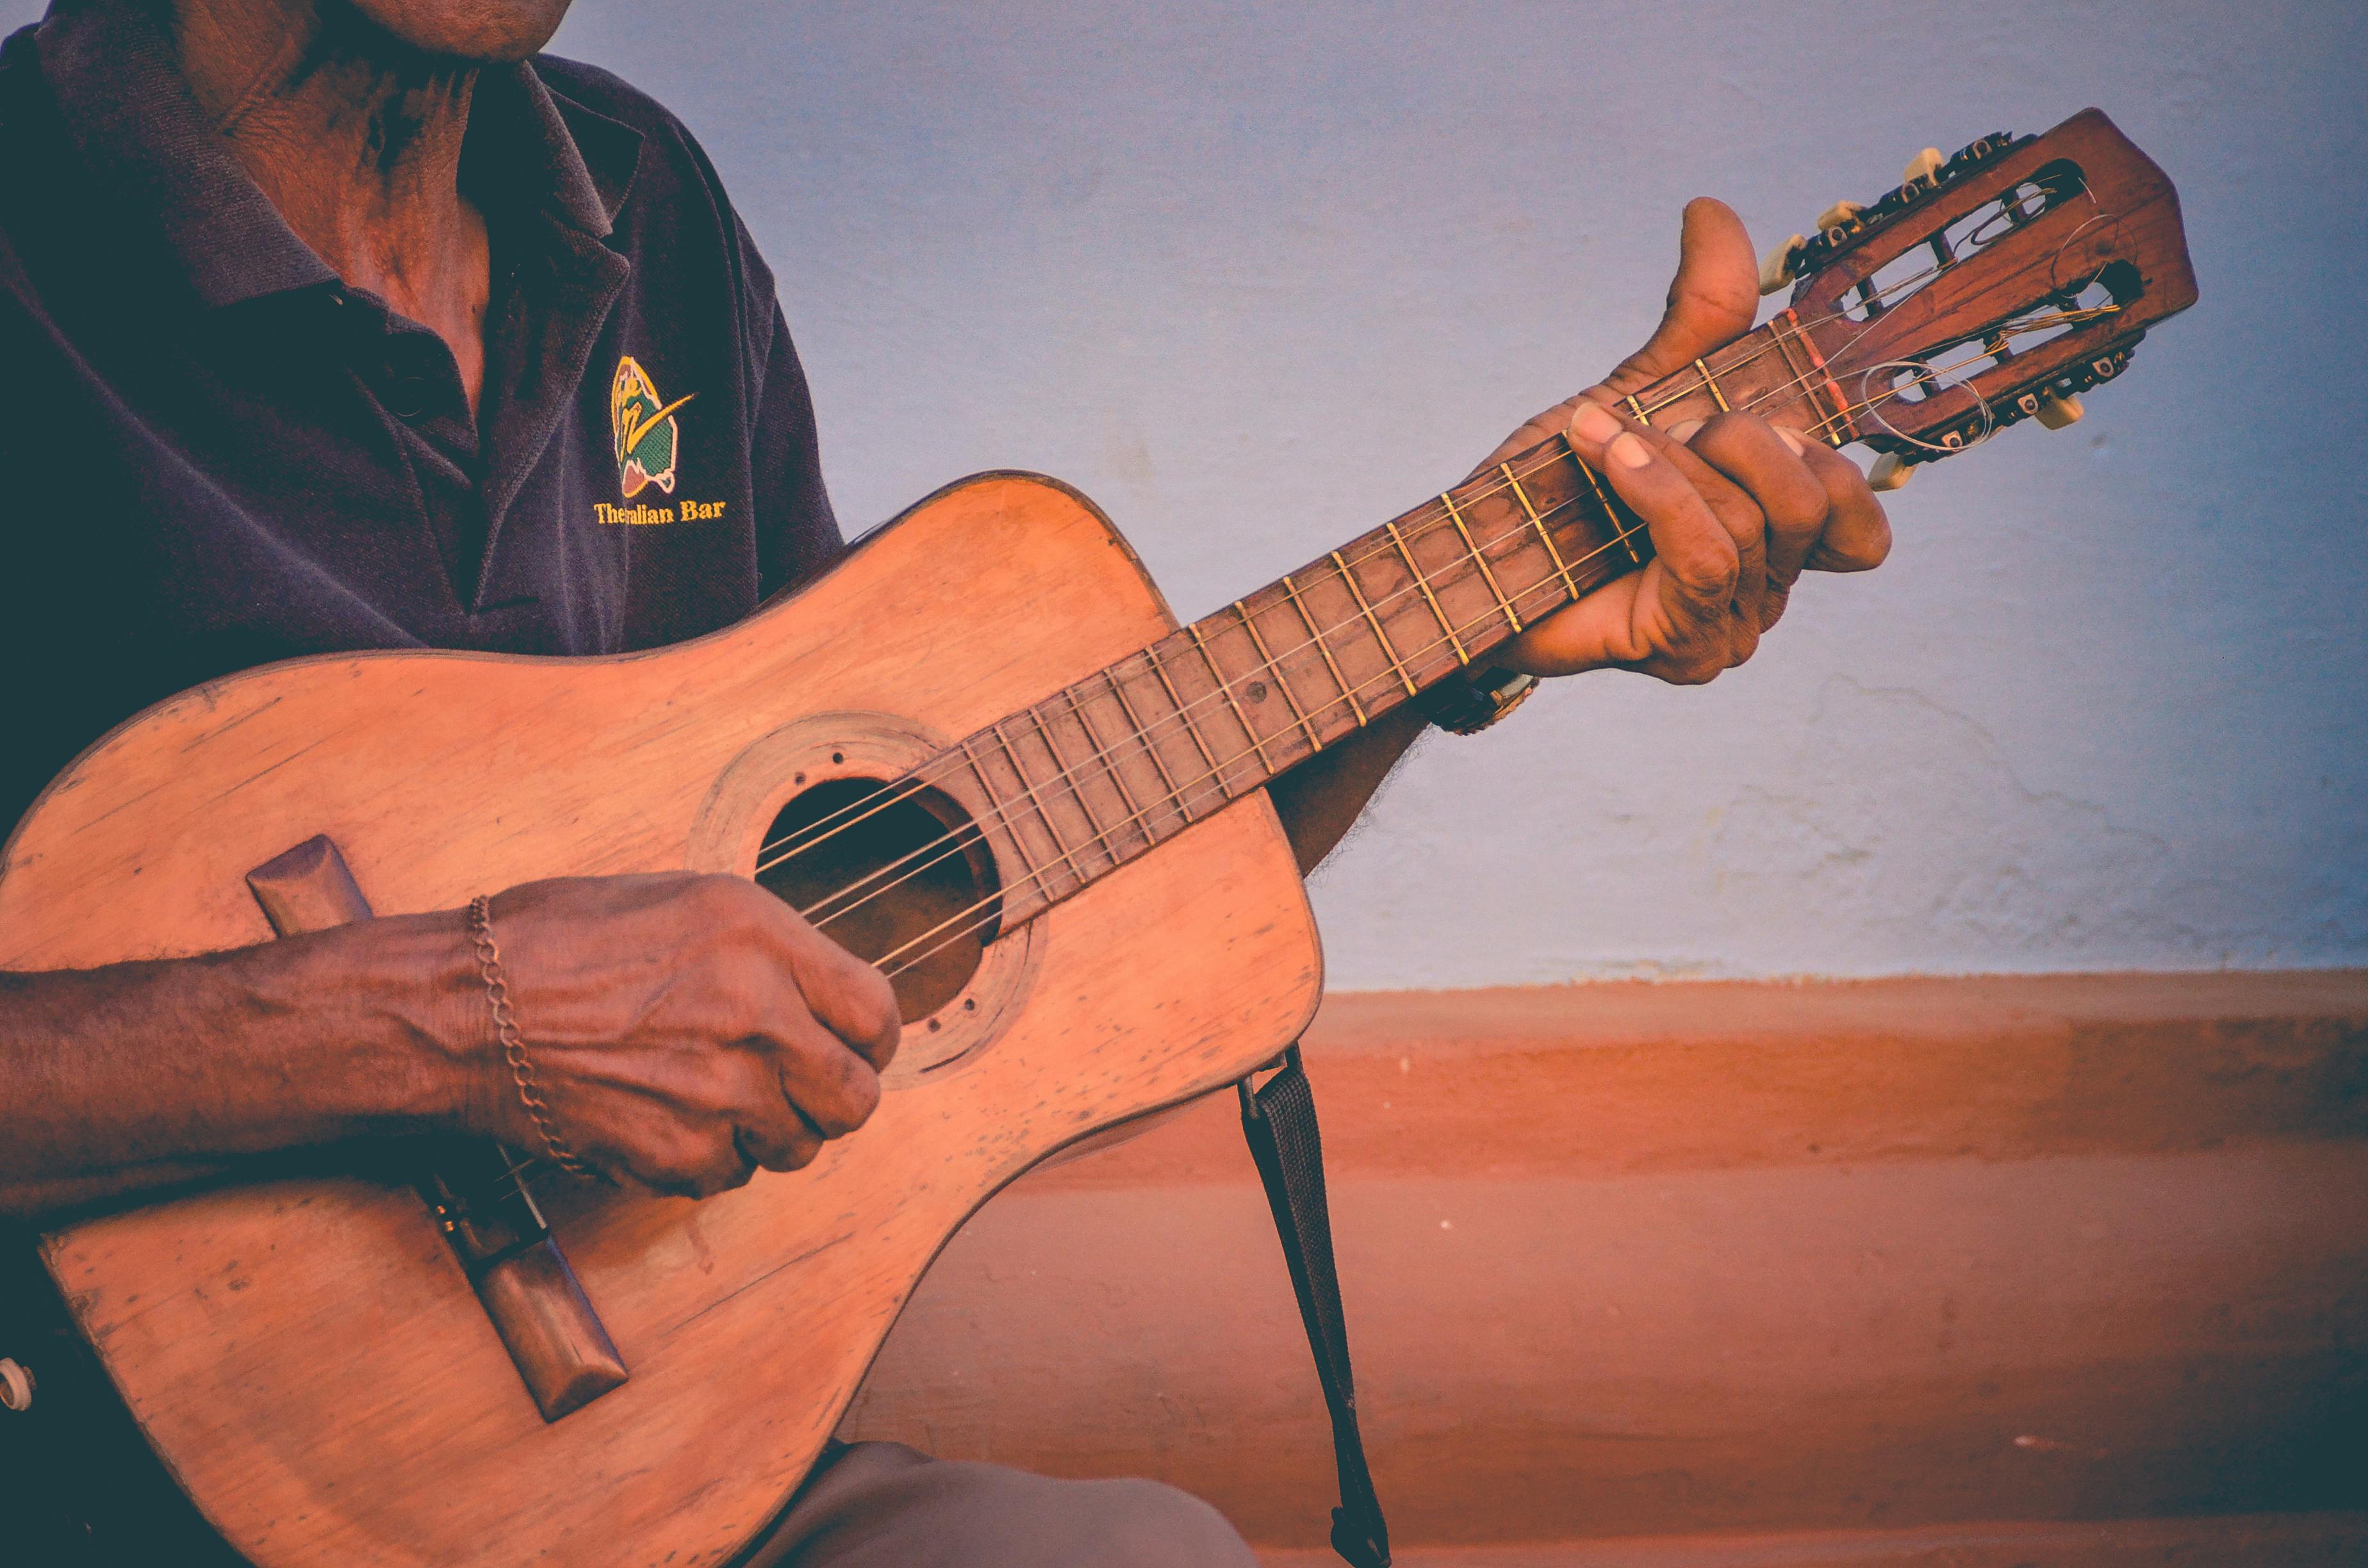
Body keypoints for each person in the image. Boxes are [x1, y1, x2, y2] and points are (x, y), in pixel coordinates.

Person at [0, 1, 1892, 1563]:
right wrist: (459, 1018)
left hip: (639, 1479)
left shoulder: (638, 206)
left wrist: (1472, 612)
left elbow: (912, 892)